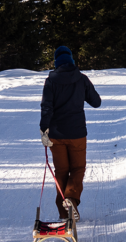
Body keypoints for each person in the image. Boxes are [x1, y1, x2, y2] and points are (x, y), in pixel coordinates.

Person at [39, 46, 102, 224]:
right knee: (77, 169)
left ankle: (63, 212)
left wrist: (44, 129)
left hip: (56, 135)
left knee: (61, 171)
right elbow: (96, 102)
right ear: (72, 60)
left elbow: (46, 107)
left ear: (56, 62)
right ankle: (71, 200)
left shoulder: (50, 81)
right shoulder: (81, 79)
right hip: (77, 134)